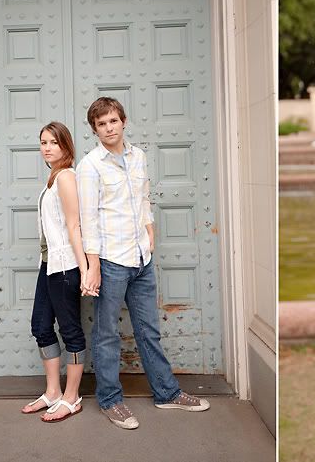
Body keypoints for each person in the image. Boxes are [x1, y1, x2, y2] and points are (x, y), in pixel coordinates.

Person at [76, 97, 210, 430]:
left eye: (113, 121)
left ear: (123, 121)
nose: (109, 128)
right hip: (110, 260)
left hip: (141, 258)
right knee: (107, 334)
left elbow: (144, 200)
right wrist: (92, 266)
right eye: (101, 124)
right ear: (95, 129)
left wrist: (150, 233)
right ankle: (110, 401)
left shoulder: (139, 158)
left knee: (149, 330)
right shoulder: (90, 166)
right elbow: (88, 219)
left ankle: (167, 393)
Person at [21, 121, 92, 422]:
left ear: (65, 145)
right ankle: (52, 392)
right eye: (43, 142)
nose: (47, 148)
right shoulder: (53, 178)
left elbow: (75, 226)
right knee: (40, 326)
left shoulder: (65, 177)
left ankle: (71, 397)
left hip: (65, 267)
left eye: (53, 142)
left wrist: (85, 270)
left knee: (71, 331)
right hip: (48, 265)